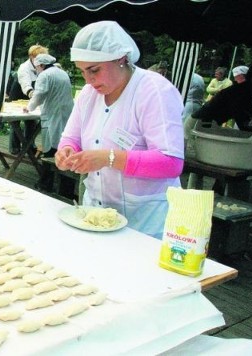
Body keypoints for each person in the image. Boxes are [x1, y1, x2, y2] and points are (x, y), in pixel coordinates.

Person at [55, 21, 184, 239]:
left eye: (94, 70)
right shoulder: (88, 95)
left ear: (122, 59)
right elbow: (71, 137)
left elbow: (171, 162)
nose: (88, 79)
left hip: (146, 220)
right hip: (95, 214)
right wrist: (66, 151)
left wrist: (110, 158)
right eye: (82, 71)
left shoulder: (154, 91)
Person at [24, 53, 73, 158]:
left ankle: (49, 170)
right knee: (63, 141)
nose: (36, 69)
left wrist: (29, 107)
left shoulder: (44, 75)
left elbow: (39, 95)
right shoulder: (62, 73)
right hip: (66, 111)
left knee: (51, 143)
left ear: (41, 65)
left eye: (37, 67)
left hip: (53, 112)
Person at [192, 62, 252, 132]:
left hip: (200, 125)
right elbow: (247, 125)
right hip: (196, 127)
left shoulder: (244, 90)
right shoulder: (241, 93)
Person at [10, 45, 48, 155]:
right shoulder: (23, 67)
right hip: (18, 95)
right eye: (37, 57)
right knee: (15, 122)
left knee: (31, 122)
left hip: (33, 95)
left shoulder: (42, 66)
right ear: (31, 56)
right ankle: (15, 148)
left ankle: (29, 145)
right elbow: (25, 85)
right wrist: (34, 96)